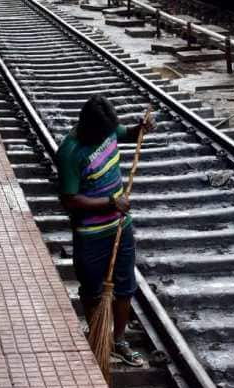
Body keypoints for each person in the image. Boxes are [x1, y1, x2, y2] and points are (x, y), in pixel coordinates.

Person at [56, 94, 153, 367]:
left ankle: (119, 340)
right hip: (90, 236)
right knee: (92, 290)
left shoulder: (108, 130)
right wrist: (110, 202)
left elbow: (129, 134)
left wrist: (140, 129)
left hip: (121, 227)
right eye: (103, 133)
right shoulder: (70, 152)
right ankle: (98, 335)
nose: (107, 136)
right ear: (89, 127)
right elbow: (70, 200)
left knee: (124, 288)